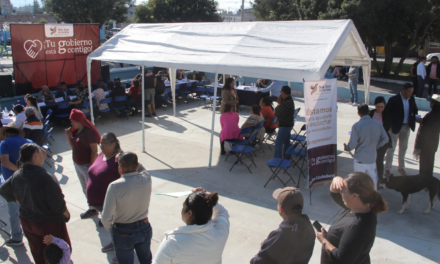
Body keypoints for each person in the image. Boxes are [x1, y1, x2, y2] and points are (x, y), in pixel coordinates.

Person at [0, 143, 71, 264]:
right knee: (59, 254)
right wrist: (66, 214)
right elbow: (57, 203)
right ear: (35, 154)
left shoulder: (17, 175)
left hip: (28, 223)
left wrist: (17, 200)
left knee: (39, 255)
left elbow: (3, 190)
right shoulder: (44, 176)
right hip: (48, 223)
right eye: (40, 151)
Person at [316, 173, 388, 264]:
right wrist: (336, 179)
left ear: (354, 196)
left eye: (343, 190)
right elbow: (334, 193)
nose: (340, 192)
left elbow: (341, 259)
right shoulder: (360, 208)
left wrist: (324, 240)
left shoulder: (356, 226)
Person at [153, 187, 230, 264]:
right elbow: (222, 211)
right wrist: (205, 197)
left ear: (189, 214)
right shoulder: (220, 231)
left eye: (183, 207)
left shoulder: (172, 242)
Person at [101, 152, 152, 264]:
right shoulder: (147, 179)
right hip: (144, 228)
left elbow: (105, 218)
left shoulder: (114, 186)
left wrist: (112, 229)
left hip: (123, 231)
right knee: (146, 261)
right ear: (136, 165)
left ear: (121, 167)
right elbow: (142, 168)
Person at [250, 187, 315, 264]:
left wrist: (255, 257)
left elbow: (259, 262)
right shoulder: (309, 229)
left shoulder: (280, 235)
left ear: (281, 209)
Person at [87, 132, 122, 254]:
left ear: (113, 144)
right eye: (100, 142)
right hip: (100, 203)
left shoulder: (119, 159)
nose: (101, 145)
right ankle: (114, 242)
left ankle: (122, 252)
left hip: (111, 203)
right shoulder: (102, 155)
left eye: (104, 143)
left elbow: (126, 181)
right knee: (112, 228)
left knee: (118, 228)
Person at [0, 124, 33, 247]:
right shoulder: (28, 141)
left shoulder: (4, 143)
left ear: (6, 134)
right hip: (29, 181)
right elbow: (43, 153)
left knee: (14, 212)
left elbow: (4, 161)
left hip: (13, 183)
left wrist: (19, 171)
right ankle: (33, 233)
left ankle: (17, 237)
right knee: (30, 208)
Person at [65, 109, 100, 219]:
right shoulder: (76, 131)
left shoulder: (89, 133)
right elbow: (73, 147)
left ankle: (98, 209)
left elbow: (94, 150)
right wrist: (68, 136)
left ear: (79, 120)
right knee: (85, 188)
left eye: (73, 121)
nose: (72, 123)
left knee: (91, 189)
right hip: (77, 164)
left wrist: (91, 166)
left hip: (86, 165)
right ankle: (92, 208)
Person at [345, 104, 388, 189]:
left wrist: (348, 147)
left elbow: (353, 144)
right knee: (372, 178)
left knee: (358, 180)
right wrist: (376, 146)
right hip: (372, 158)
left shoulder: (356, 126)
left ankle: (360, 199)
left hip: (360, 158)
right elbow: (385, 139)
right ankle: (374, 196)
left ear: (358, 113)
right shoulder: (378, 124)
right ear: (369, 112)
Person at [384, 83, 418, 176]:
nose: (411, 93)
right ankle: (387, 168)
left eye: (412, 92)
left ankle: (401, 167)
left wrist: (415, 118)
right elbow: (387, 112)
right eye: (409, 92)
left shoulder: (412, 99)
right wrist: (390, 124)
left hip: (406, 127)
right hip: (395, 127)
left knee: (403, 148)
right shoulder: (394, 99)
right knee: (391, 148)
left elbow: (415, 109)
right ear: (404, 91)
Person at [368, 97, 392, 188]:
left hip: (382, 142)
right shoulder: (370, 113)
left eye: (382, 107)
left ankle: (380, 180)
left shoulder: (387, 115)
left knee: (379, 160)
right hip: (371, 141)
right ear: (375, 105)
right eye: (378, 107)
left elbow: (387, 129)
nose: (380, 109)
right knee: (371, 160)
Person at [414, 94, 440, 176]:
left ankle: (423, 180)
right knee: (430, 161)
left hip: (426, 143)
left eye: (431, 102)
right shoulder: (437, 114)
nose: (430, 104)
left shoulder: (431, 115)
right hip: (433, 143)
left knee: (424, 163)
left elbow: (426, 127)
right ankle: (428, 179)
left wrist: (420, 121)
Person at [274, 86, 294, 159]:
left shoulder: (286, 102)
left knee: (278, 143)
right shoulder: (289, 100)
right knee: (286, 142)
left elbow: (276, 112)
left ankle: (277, 160)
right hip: (288, 125)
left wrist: (279, 103)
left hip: (285, 126)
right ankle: (287, 157)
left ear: (283, 92)